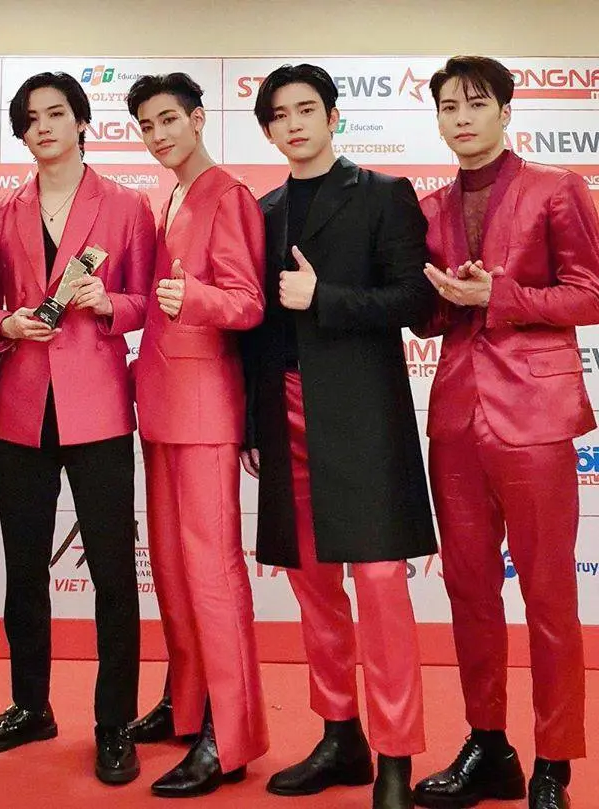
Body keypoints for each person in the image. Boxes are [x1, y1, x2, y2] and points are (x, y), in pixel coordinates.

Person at [242, 63, 437, 809]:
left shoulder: (383, 194)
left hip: (363, 414)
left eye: (306, 109)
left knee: (381, 587)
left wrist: (325, 297)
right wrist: (254, 422)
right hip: (285, 411)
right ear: (267, 130)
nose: (293, 124)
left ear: (332, 117)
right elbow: (256, 327)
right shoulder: (261, 211)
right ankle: (339, 733)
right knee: (313, 586)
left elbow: (414, 299)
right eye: (279, 115)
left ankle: (396, 754)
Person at [412, 56, 599, 809]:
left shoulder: (557, 188)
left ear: (505, 111)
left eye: (476, 103)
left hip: (535, 415)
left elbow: (590, 293)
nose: (462, 117)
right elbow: (430, 316)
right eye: (448, 106)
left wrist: (500, 294)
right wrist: (434, 297)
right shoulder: (427, 208)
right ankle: (488, 745)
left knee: (549, 595)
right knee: (467, 589)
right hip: (456, 415)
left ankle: (554, 763)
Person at [0, 71, 155, 784]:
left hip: (98, 405)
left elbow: (147, 300)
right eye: (30, 118)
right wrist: (6, 324)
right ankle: (30, 704)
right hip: (21, 406)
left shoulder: (128, 205)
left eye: (55, 113)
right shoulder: (0, 212)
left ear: (82, 123)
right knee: (23, 569)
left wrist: (108, 303)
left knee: (112, 571)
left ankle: (114, 723)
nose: (42, 127)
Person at [124, 72, 268, 798]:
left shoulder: (229, 193)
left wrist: (197, 297)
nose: (158, 135)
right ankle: (187, 703)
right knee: (174, 569)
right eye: (147, 125)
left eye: (168, 120)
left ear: (198, 118)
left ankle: (230, 733)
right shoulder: (170, 196)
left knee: (212, 572)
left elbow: (248, 302)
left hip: (207, 406)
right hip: (160, 403)